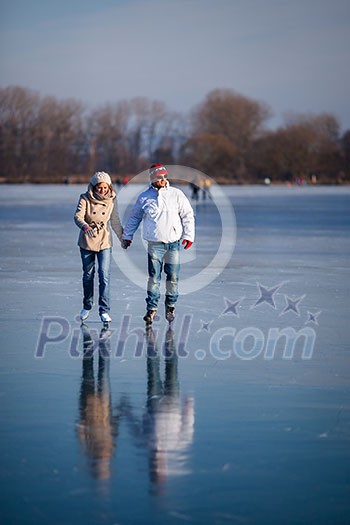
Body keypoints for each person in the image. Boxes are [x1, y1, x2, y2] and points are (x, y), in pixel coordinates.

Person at [122, 164, 195, 324]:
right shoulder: (144, 197)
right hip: (154, 244)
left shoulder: (176, 194)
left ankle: (170, 306)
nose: (162, 180)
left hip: (173, 243)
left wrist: (188, 235)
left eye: (164, 177)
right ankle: (152, 309)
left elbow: (187, 215)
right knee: (154, 278)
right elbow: (134, 217)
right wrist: (127, 236)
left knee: (173, 276)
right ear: (153, 178)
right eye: (159, 177)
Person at [74, 171, 123, 323]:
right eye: (99, 188)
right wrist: (85, 226)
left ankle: (104, 310)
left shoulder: (112, 200)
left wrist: (123, 238)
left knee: (104, 275)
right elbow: (78, 216)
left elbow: (115, 221)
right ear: (94, 187)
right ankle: (87, 306)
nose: (102, 191)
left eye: (105, 187)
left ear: (109, 187)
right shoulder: (85, 198)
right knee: (88, 275)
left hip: (104, 241)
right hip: (87, 241)